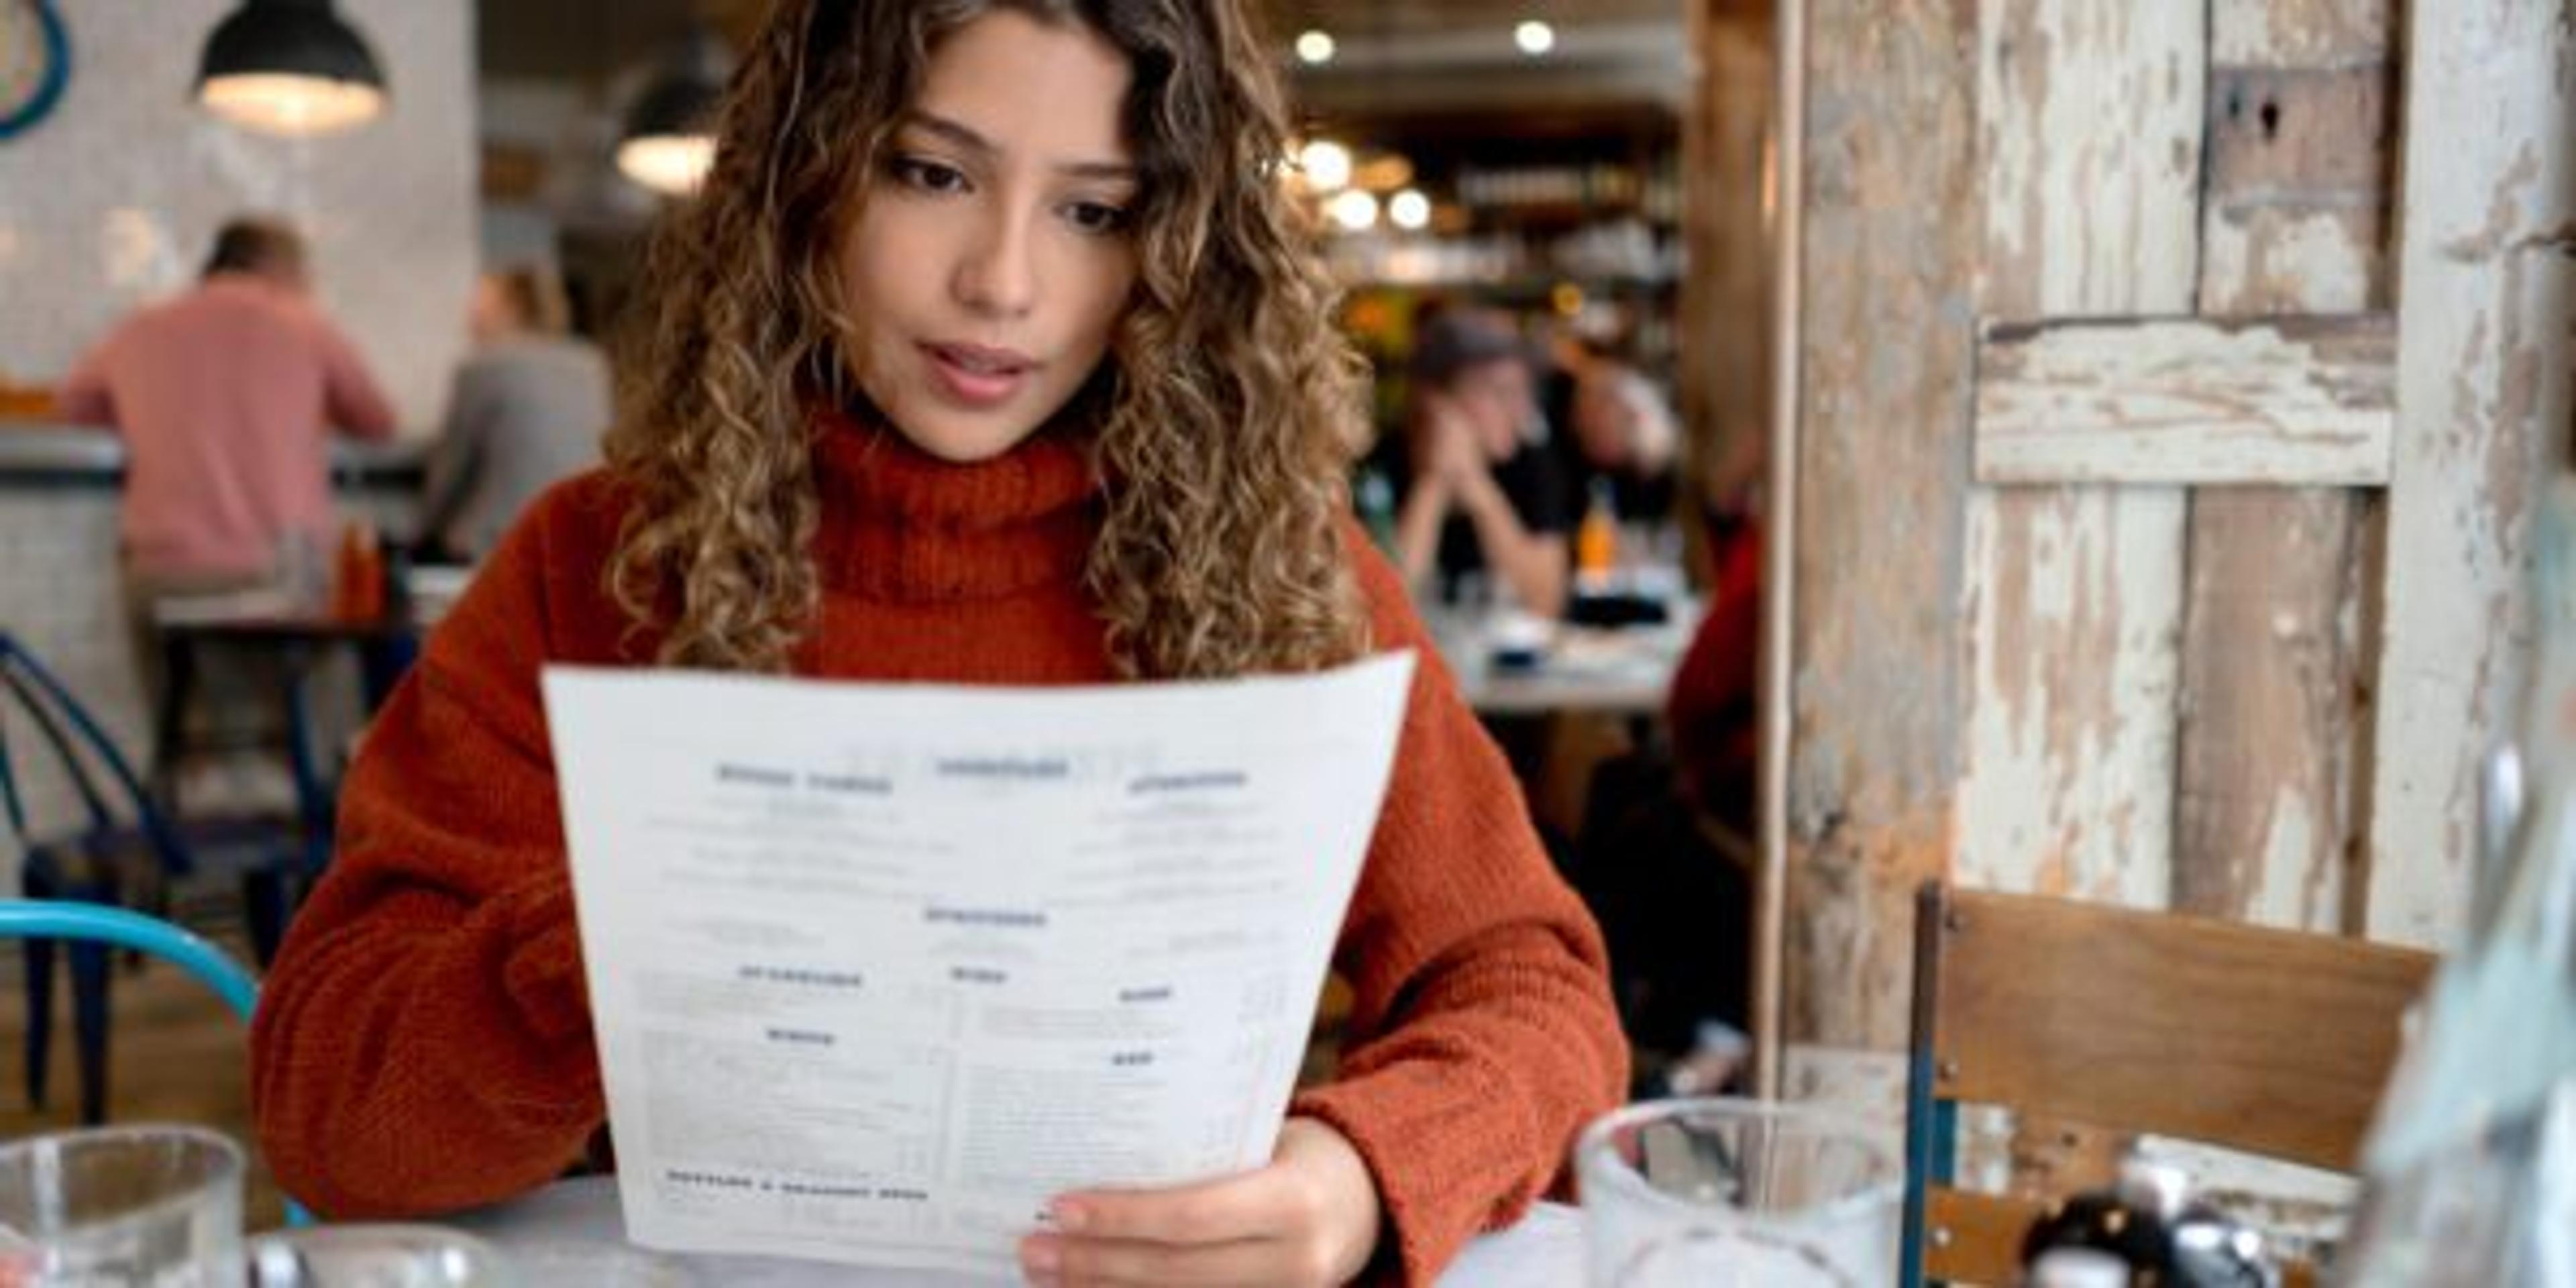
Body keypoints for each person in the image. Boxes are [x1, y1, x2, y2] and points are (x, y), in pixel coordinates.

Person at [249, 3, 1627, 1286]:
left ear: (1178, 253)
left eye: (1095, 210)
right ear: (809, 179)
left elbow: (1536, 992)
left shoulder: (1282, 571)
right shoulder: (594, 564)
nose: (1002, 284)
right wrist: (621, 926)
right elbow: (330, 1121)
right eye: (931, 174)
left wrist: (1358, 1179)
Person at [57, 216, 396, 608]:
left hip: (162, 563)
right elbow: (376, 421)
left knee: (173, 672)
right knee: (305, 670)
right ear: (277, 267)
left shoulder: (140, 327)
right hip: (276, 566)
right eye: (304, 273)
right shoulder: (303, 324)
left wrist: (152, 409)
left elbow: (73, 406)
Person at [413, 266, 612, 563]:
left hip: (499, 543)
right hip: (582, 541)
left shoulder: (484, 368)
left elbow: (449, 474)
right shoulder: (592, 364)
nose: (470, 316)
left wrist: (416, 536)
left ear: (510, 307)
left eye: (480, 302)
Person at [1389, 309, 1571, 617]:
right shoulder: (1383, 465)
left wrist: (1477, 486)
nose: (1520, 411)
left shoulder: (1532, 464)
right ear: (1435, 401)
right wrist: (1433, 484)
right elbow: (1388, 608)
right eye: (1500, 392)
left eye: (1523, 392)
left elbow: (1546, 603)